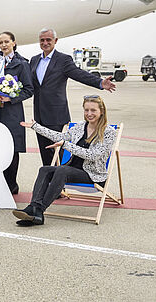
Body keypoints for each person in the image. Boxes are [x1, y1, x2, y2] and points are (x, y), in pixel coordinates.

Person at [13, 95, 117, 226]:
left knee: (62, 170)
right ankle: (33, 208)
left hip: (92, 174)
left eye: (93, 110)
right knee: (45, 169)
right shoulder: (80, 126)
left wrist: (66, 145)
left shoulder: (108, 132)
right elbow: (59, 136)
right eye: (86, 110)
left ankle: (39, 211)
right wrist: (36, 126)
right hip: (73, 170)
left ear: (101, 111)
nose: (89, 114)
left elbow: (93, 155)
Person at [29, 27, 115, 166]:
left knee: (59, 154)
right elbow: (30, 84)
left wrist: (99, 82)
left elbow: (79, 74)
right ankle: (48, 177)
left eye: (48, 40)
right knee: (45, 154)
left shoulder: (63, 59)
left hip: (56, 115)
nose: (45, 43)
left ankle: (60, 178)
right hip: (39, 115)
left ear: (55, 41)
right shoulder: (34, 60)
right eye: (42, 40)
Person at [0, 31, 33, 195]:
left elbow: (28, 90)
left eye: (6, 42)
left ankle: (11, 183)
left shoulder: (22, 64)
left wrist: (11, 97)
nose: (3, 45)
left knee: (12, 148)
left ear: (13, 42)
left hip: (12, 112)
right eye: (1, 42)